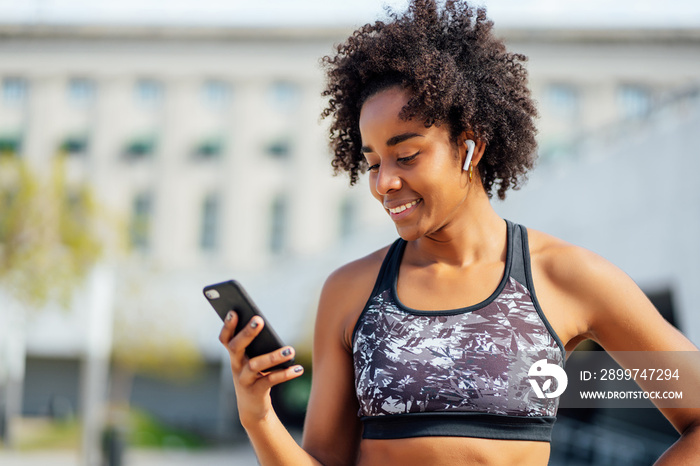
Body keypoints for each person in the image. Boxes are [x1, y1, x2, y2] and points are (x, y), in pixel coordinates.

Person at [218, 1, 700, 464]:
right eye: (372, 163)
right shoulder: (350, 291)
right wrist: (258, 416)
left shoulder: (563, 276)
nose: (384, 182)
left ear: (470, 147)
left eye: (406, 156)